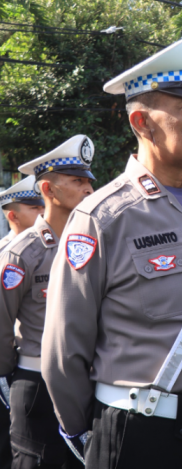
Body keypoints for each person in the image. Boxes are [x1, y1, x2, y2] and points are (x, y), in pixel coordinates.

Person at [42, 35, 182, 469]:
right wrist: (93, 435)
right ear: (142, 123)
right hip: (142, 435)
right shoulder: (103, 218)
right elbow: (65, 349)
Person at [0, 135, 95, 469]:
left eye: (89, 182)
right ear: (48, 190)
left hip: (89, 383)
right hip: (38, 383)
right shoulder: (22, 251)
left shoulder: (97, 244)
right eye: (77, 181)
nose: (88, 190)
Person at [0, 176, 44, 469]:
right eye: (33, 207)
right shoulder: (10, 255)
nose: (42, 211)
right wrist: (7, 373)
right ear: (12, 214)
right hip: (18, 370)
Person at [0, 176, 44, 253]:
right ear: (13, 216)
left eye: (44, 207)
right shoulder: (5, 251)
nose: (43, 212)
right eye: (35, 208)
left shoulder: (52, 243)